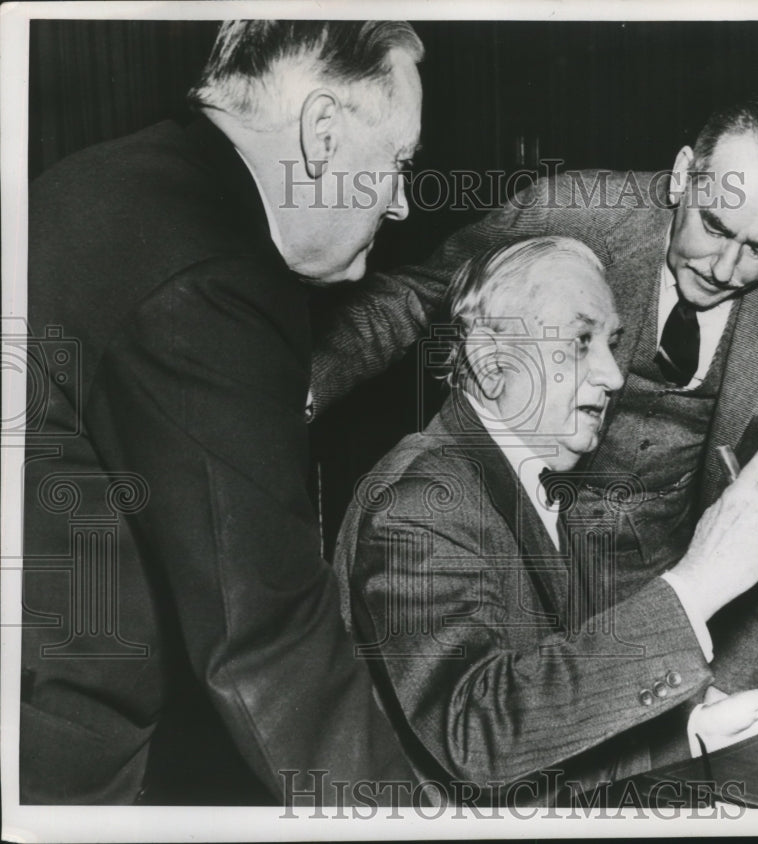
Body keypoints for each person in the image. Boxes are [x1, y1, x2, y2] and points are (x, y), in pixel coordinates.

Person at [315, 97, 758, 707]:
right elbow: (421, 294)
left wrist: (727, 692)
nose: (727, 267)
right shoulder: (574, 211)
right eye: (714, 226)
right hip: (526, 556)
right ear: (682, 175)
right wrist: (296, 391)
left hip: (675, 576)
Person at [21, 20, 440, 805]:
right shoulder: (211, 274)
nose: (404, 204)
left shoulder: (121, 179)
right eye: (398, 164)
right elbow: (268, 641)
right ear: (322, 133)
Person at [336, 236, 758, 802]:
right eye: (580, 341)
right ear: (490, 359)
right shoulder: (422, 501)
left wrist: (695, 732)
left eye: (613, 342)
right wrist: (697, 585)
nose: (613, 374)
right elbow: (477, 737)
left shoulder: (523, 484)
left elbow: (542, 735)